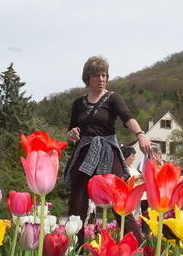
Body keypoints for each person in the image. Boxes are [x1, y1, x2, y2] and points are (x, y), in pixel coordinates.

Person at [65, 56, 151, 233]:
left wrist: (140, 134)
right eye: (97, 75)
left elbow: (128, 117)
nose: (101, 79)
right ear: (88, 78)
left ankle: (138, 251)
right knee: (77, 204)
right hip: (84, 152)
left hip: (108, 152)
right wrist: (71, 134)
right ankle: (76, 253)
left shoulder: (113, 98)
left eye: (104, 75)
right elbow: (70, 131)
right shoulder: (78, 104)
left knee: (120, 202)